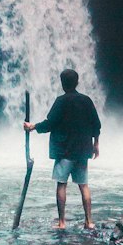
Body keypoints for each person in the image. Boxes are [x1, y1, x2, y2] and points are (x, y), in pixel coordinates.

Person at [24, 68, 101, 229]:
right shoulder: (86, 100)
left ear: (62, 83)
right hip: (82, 151)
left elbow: (50, 124)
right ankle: (89, 222)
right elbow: (96, 124)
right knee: (84, 185)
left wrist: (33, 127)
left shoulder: (61, 101)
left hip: (64, 150)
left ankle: (62, 222)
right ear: (77, 82)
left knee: (61, 184)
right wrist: (96, 144)